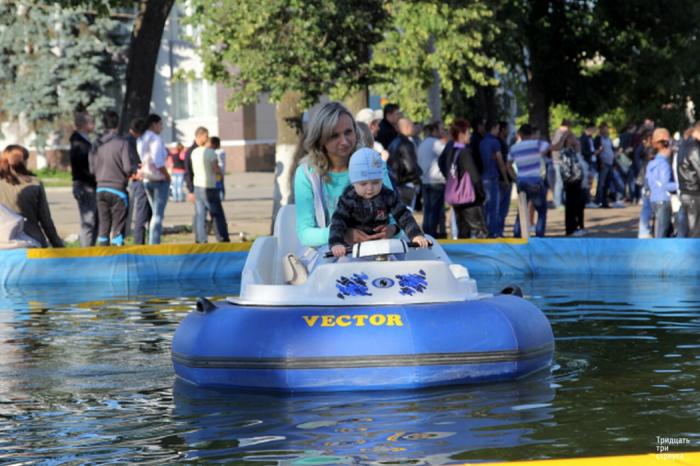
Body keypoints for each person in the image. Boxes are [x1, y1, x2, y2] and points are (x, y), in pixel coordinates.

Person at [294, 101, 396, 255]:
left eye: (348, 132)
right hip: (330, 258)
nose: (344, 141)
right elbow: (305, 234)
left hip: (377, 254)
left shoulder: (374, 164)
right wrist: (342, 233)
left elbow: (397, 219)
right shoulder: (306, 173)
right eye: (334, 135)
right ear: (320, 138)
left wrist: (390, 230)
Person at [329, 148, 429, 257]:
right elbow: (338, 221)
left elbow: (403, 215)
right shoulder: (348, 198)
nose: (370, 188)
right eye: (363, 184)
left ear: (382, 179)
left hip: (382, 246)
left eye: (376, 182)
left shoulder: (387, 195)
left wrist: (416, 235)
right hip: (354, 248)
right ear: (353, 183)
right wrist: (336, 243)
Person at [89, 110, 137, 246]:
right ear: (118, 124)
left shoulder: (96, 144)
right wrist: (134, 170)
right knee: (117, 229)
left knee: (103, 227)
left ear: (103, 124)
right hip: (118, 190)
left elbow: (92, 169)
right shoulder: (122, 143)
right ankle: (117, 254)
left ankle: (103, 255)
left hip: (100, 189)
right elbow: (127, 168)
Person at [0, 145, 63, 248]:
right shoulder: (35, 183)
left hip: (4, 244)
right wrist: (58, 245)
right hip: (33, 242)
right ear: (23, 162)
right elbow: (45, 220)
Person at [438, 119, 487, 238]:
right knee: (480, 232)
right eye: (468, 132)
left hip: (456, 197)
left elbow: (441, 162)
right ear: (461, 134)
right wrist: (481, 194)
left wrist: (452, 179)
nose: (470, 135)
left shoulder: (451, 149)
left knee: (463, 233)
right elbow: (475, 176)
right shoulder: (465, 152)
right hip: (468, 198)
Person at [188, 127, 230, 243]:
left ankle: (201, 239)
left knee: (200, 214)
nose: (207, 138)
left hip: (197, 185)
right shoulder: (210, 153)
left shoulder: (194, 152)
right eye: (206, 136)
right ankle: (222, 237)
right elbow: (215, 169)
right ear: (200, 136)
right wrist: (220, 173)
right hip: (209, 186)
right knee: (217, 213)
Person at [508, 124, 550, 237]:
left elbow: (509, 165)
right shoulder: (537, 144)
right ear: (531, 133)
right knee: (541, 211)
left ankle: (517, 235)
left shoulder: (514, 148)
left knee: (521, 210)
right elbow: (548, 147)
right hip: (535, 180)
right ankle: (539, 236)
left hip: (521, 181)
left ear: (520, 134)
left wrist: (515, 177)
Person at [137, 114, 171, 245]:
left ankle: (153, 240)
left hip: (147, 178)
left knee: (154, 213)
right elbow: (158, 162)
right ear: (154, 124)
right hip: (159, 179)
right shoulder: (155, 139)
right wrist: (167, 176)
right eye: (160, 124)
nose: (162, 127)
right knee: (157, 215)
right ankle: (154, 242)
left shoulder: (141, 138)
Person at [69, 112, 98, 246]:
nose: (94, 125)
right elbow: (82, 166)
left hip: (89, 183)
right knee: (88, 220)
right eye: (92, 122)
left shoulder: (84, 140)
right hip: (85, 185)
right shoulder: (79, 142)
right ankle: (86, 251)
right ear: (84, 124)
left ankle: (91, 249)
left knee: (95, 219)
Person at [479, 120, 510, 237]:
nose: (498, 131)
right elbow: (500, 162)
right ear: (493, 128)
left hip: (484, 177)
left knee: (486, 207)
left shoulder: (482, 142)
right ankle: (493, 233)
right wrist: (506, 179)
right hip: (493, 177)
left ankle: (486, 231)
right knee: (494, 207)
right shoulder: (495, 142)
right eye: (497, 128)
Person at [645, 128, 678, 238]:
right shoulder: (664, 164)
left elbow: (648, 182)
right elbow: (665, 184)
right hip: (663, 199)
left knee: (660, 231)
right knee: (663, 232)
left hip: (654, 199)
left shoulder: (651, 163)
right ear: (665, 145)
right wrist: (681, 186)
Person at [417, 122, 447, 238]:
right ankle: (433, 235)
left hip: (425, 180)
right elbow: (447, 154)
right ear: (434, 131)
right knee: (435, 211)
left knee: (427, 210)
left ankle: (426, 234)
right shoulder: (436, 143)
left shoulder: (422, 144)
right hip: (437, 180)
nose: (443, 132)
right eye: (441, 130)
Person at [387, 117, 422, 208]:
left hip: (395, 182)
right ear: (407, 127)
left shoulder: (393, 142)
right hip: (406, 183)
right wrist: (416, 180)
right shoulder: (406, 143)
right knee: (407, 211)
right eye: (412, 125)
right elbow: (411, 166)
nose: (414, 128)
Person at [126, 117, 151, 244]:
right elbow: (130, 161)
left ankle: (141, 240)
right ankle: (139, 242)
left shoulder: (130, 140)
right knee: (142, 213)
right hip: (138, 178)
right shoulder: (131, 142)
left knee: (143, 212)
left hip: (138, 176)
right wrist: (136, 170)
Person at [559, 132, 586, 236]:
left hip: (577, 181)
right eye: (574, 138)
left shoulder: (572, 151)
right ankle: (570, 229)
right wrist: (570, 179)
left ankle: (577, 226)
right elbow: (565, 167)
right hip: (571, 182)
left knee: (577, 205)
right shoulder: (565, 152)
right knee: (571, 206)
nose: (576, 140)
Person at [678, 121, 700, 237]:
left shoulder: (683, 145)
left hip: (685, 191)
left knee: (685, 230)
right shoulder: (695, 148)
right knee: (695, 231)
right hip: (694, 193)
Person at [208, 136, 226, 201]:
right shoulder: (221, 151)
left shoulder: (215, 152)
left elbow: (217, 162)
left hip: (218, 171)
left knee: (218, 184)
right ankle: (221, 196)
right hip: (221, 170)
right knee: (220, 183)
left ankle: (220, 196)